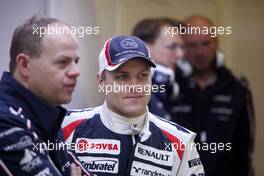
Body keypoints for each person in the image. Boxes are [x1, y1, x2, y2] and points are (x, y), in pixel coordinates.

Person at [62, 35, 204, 176]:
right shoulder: (66, 127)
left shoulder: (181, 141)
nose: (135, 86)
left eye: (142, 76)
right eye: (122, 77)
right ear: (101, 82)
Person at [0, 15, 92, 176]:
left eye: (75, 61)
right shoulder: (5, 120)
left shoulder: (48, 114)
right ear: (25, 65)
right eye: (63, 62)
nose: (76, 71)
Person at [170, 15, 255, 176]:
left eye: (206, 43)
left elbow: (244, 146)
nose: (199, 52)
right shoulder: (170, 84)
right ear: (181, 47)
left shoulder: (236, 86)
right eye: (192, 45)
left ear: (216, 43)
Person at [132, 17, 185, 120]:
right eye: (172, 46)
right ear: (145, 47)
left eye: (182, 47)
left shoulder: (180, 82)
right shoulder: (130, 89)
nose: (180, 54)